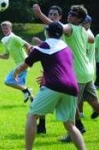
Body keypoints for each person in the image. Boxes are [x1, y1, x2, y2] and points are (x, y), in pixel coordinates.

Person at [33, 4, 99, 142]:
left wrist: (40, 14)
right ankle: (78, 129)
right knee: (94, 101)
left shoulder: (70, 28)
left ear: (79, 19)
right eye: (70, 13)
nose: (69, 15)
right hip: (87, 72)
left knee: (70, 106)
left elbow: (57, 27)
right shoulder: (84, 31)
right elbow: (91, 39)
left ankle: (73, 134)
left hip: (76, 74)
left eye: (73, 15)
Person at [14, 22, 86, 150]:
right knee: (70, 125)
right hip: (72, 87)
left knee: (32, 116)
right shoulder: (67, 48)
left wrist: (15, 73)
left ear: (48, 32)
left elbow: (23, 66)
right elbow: (62, 67)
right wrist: (48, 74)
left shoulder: (43, 46)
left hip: (55, 86)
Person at [33, 5, 63, 134]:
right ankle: (42, 125)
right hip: (49, 67)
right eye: (50, 14)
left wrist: (40, 14)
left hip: (61, 69)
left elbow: (56, 49)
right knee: (42, 91)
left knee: (66, 99)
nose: (52, 16)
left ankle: (77, 124)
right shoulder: (48, 30)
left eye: (55, 14)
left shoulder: (62, 29)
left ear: (60, 17)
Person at [0, 21, 33, 103]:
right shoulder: (6, 41)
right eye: (3, 29)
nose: (5, 30)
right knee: (20, 84)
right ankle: (33, 98)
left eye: (6, 28)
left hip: (23, 64)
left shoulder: (14, 38)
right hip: (19, 65)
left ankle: (27, 90)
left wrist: (30, 55)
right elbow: (6, 56)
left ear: (10, 28)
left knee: (8, 81)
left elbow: (27, 45)